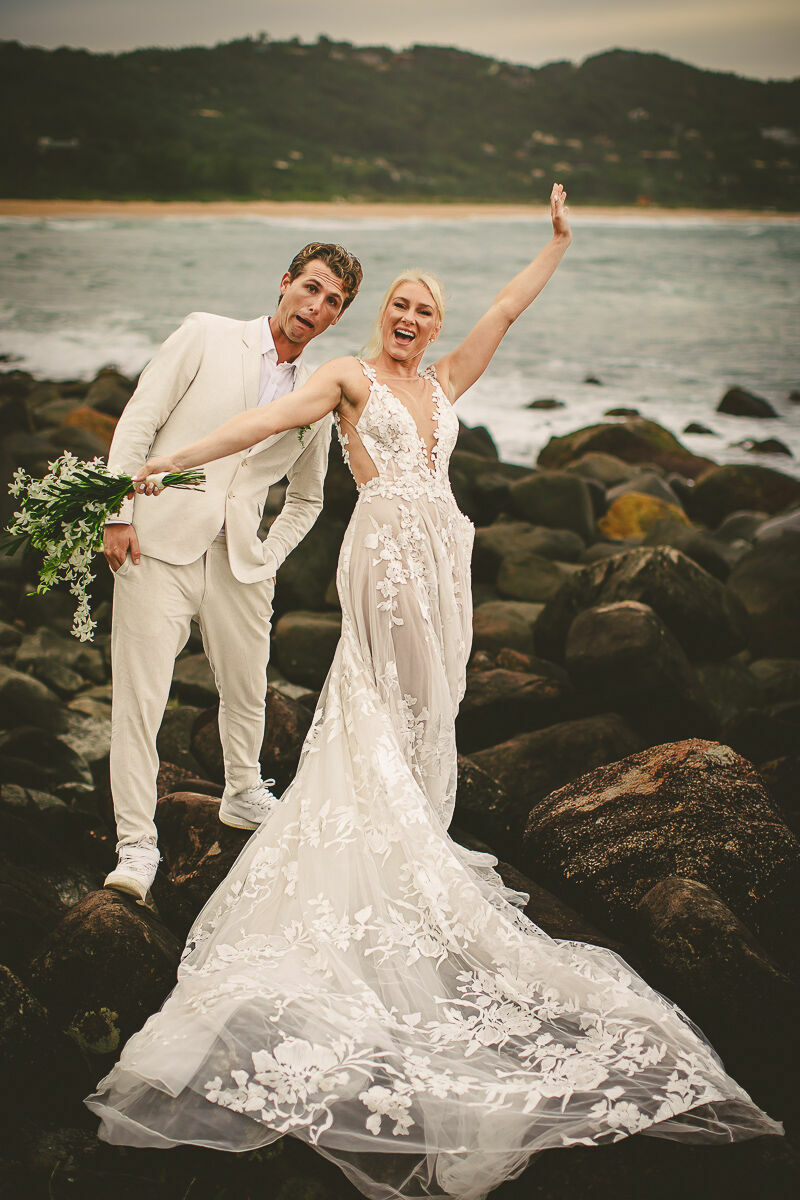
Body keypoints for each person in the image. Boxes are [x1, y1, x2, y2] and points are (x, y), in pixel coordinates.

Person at [86, 188, 781, 1200]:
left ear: (435, 324)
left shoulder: (447, 380)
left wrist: (555, 244)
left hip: (444, 557)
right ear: (377, 316)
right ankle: (377, 838)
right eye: (396, 304)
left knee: (430, 705)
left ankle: (411, 818)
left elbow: (505, 311)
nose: (409, 317)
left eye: (423, 307)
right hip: (382, 557)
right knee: (374, 697)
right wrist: (157, 467)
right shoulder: (347, 376)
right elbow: (263, 421)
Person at [101, 242, 363, 903]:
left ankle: (243, 792)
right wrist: (117, 513)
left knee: (247, 692)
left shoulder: (320, 393)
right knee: (140, 704)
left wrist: (269, 557)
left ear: (338, 316)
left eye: (333, 301)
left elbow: (308, 498)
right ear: (285, 283)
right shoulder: (206, 335)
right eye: (311, 288)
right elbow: (142, 418)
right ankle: (136, 847)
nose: (317, 305)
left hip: (241, 560)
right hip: (157, 543)